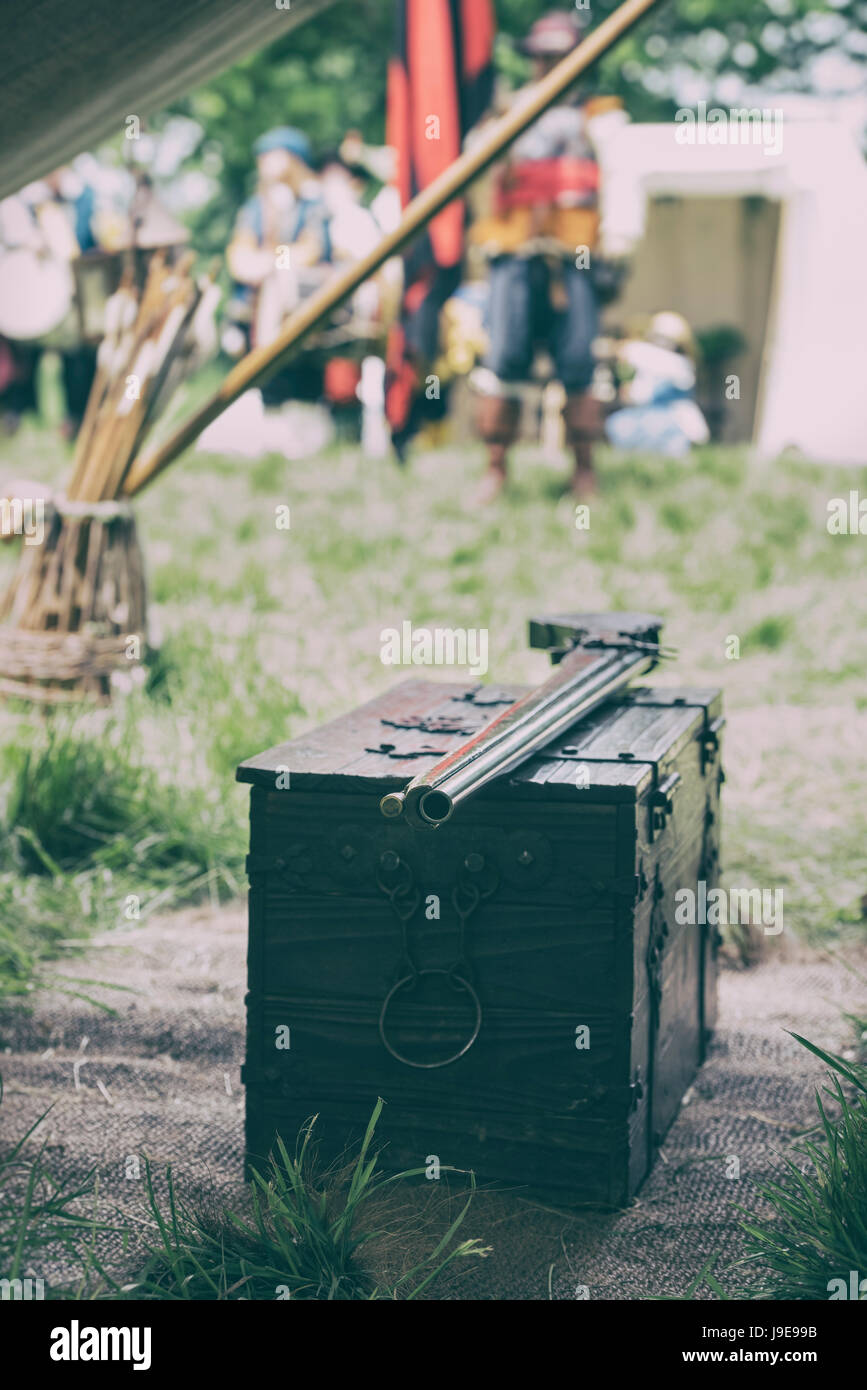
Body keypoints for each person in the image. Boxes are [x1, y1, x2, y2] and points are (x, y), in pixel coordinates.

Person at [468, 9, 636, 501]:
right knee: (504, 358)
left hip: (575, 257)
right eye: (543, 58)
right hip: (515, 253)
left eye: (559, 58)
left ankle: (584, 471)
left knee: (578, 362)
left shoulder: (601, 120)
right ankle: (495, 470)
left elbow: (623, 180)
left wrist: (621, 239)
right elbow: (477, 169)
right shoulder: (507, 115)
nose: (550, 66)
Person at [225, 127, 332, 407]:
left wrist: (273, 263)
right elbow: (239, 253)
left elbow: (312, 250)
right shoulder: (256, 206)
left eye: (273, 155)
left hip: (303, 300)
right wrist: (259, 265)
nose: (264, 162)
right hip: (255, 300)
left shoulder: (313, 202)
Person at [606, 312, 710, 458]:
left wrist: (627, 348)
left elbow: (643, 356)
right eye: (656, 337)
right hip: (641, 417)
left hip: (672, 420)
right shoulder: (648, 365)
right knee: (618, 425)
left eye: (666, 338)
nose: (661, 342)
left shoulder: (681, 366)